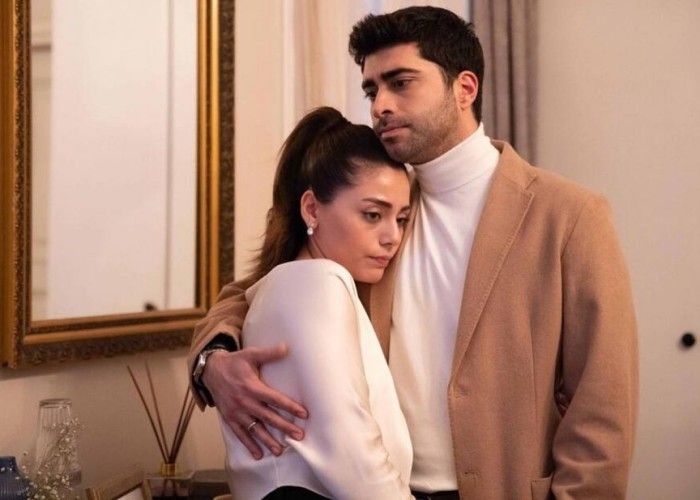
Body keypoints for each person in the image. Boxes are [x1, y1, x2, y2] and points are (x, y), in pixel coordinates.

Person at [189, 6, 638, 499]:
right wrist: (212, 364)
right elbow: (257, 291)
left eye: (400, 83)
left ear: (465, 88)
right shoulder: (382, 209)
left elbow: (603, 402)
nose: (380, 105)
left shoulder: (569, 215)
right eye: (371, 90)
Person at [200, 106, 414, 499]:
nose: (392, 237)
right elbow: (355, 458)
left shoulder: (294, 284)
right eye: (372, 215)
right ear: (312, 209)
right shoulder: (317, 283)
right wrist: (209, 362)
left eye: (401, 219)